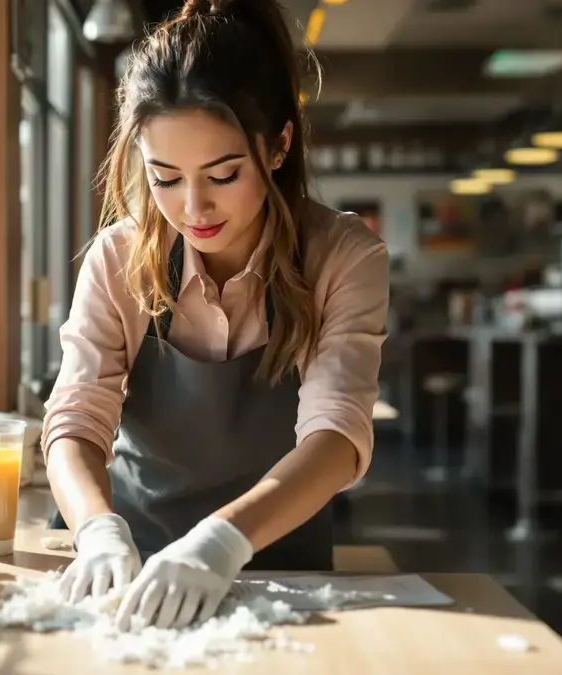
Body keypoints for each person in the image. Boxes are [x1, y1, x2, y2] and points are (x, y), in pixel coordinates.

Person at [42, 0, 389, 631]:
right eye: (165, 178)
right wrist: (95, 530)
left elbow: (337, 436)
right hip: (134, 574)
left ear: (279, 145)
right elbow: (75, 419)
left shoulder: (344, 257)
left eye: (223, 175)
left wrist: (221, 542)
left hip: (283, 577)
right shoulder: (117, 259)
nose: (193, 208)